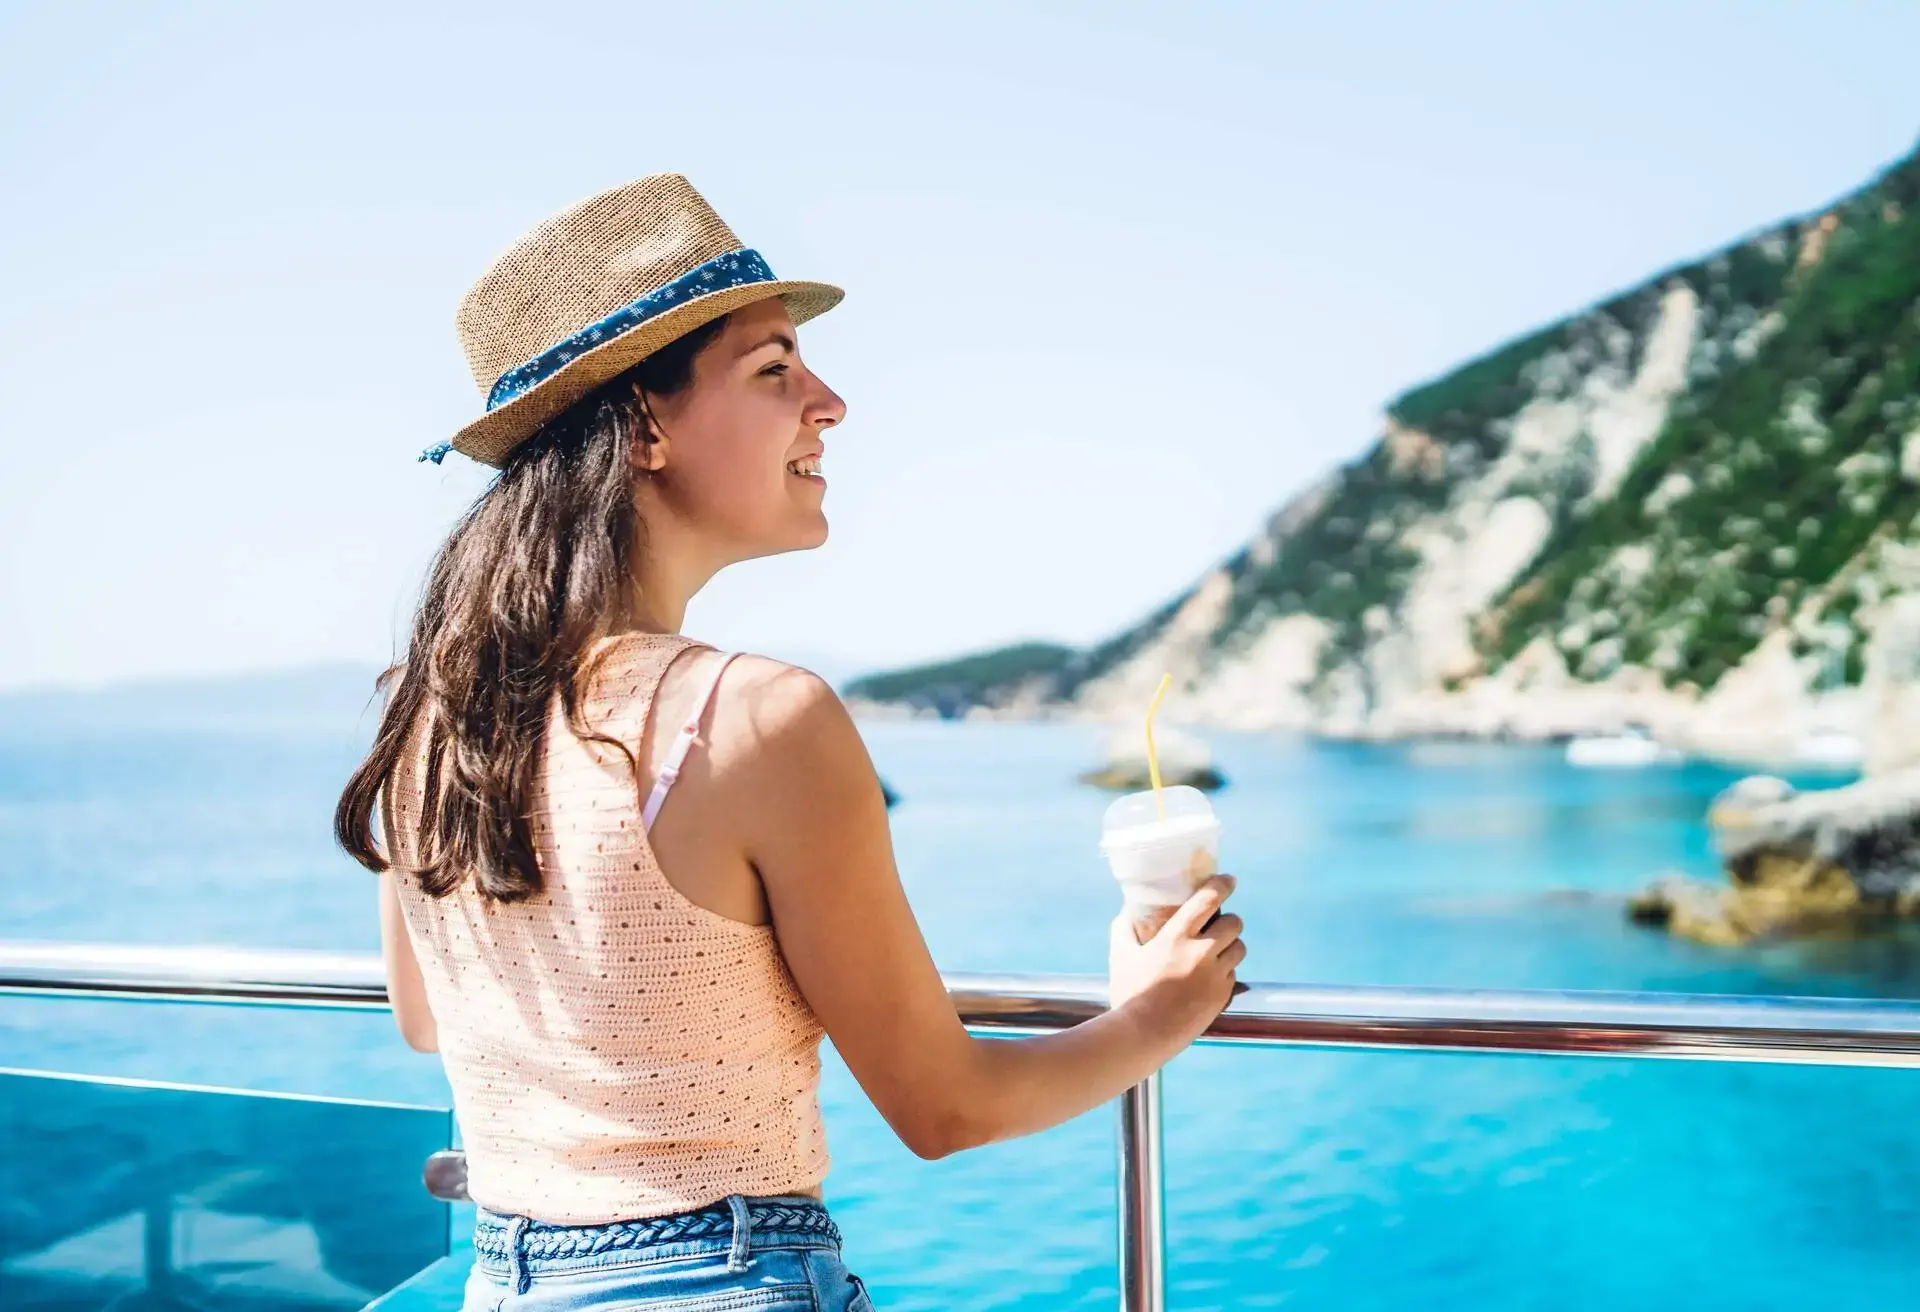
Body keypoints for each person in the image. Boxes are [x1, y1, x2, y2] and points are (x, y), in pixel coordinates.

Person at [335, 174, 1246, 1311]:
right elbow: (944, 1105)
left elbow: (429, 1020)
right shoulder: (755, 716)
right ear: (645, 422)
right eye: (774, 369)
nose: (830, 402)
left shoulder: (430, 710)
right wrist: (1160, 1011)